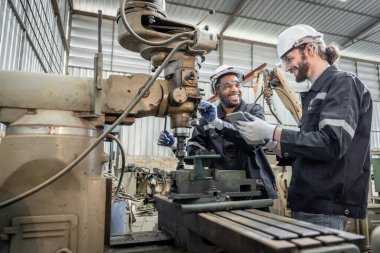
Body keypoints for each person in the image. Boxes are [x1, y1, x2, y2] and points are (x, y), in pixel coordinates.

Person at [238, 24, 373, 230]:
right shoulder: (314, 93)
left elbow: (331, 144)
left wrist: (274, 131)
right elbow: (311, 148)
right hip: (309, 203)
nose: (285, 68)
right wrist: (274, 143)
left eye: (289, 59)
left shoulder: (342, 84)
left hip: (325, 207)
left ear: (309, 49)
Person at [158, 65, 278, 199]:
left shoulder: (253, 111)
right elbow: (195, 156)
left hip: (256, 189)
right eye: (227, 86)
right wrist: (175, 145)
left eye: (237, 85)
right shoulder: (205, 121)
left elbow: (252, 142)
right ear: (216, 91)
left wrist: (218, 123)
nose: (234, 90)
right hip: (222, 190)